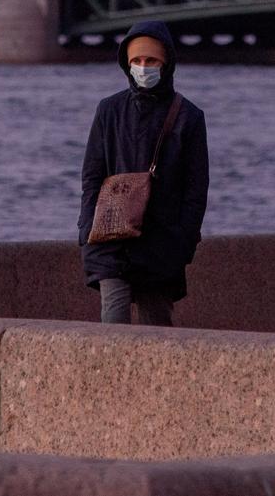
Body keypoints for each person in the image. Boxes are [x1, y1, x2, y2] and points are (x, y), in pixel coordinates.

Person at [79, 19, 209, 325]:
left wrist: (182, 242)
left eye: (150, 60)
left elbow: (196, 189)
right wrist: (86, 232)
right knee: (114, 323)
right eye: (136, 60)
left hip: (161, 245)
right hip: (110, 238)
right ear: (126, 63)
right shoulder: (109, 110)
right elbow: (91, 177)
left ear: (166, 63)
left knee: (157, 330)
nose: (143, 67)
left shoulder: (188, 116)